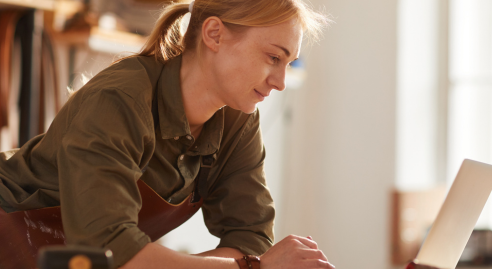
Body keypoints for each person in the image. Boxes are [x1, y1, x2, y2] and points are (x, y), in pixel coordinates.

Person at [0, 0, 334, 268]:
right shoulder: (120, 99)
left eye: (288, 63)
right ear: (214, 34)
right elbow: (106, 249)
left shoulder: (239, 122)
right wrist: (252, 267)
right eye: (273, 57)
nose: (280, 81)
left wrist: (247, 263)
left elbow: (250, 241)